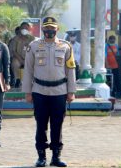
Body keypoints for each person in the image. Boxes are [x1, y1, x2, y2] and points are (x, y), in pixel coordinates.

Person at [22, 16, 76, 167]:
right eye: (46, 28)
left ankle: (56, 157)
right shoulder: (33, 46)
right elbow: (28, 70)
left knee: (57, 125)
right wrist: (27, 91)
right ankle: (41, 157)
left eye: (52, 28)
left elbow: (70, 70)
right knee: (41, 125)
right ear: (43, 29)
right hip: (39, 91)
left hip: (59, 92)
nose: (49, 31)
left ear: (57, 29)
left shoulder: (66, 46)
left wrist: (71, 91)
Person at [9, 22, 35, 88]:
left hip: (29, 58)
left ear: (29, 29)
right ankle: (17, 80)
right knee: (15, 63)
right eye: (23, 28)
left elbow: (34, 51)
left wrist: (27, 60)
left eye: (26, 28)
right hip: (18, 58)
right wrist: (21, 60)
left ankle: (32, 81)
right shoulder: (15, 39)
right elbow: (13, 51)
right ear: (20, 29)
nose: (24, 29)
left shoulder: (32, 39)